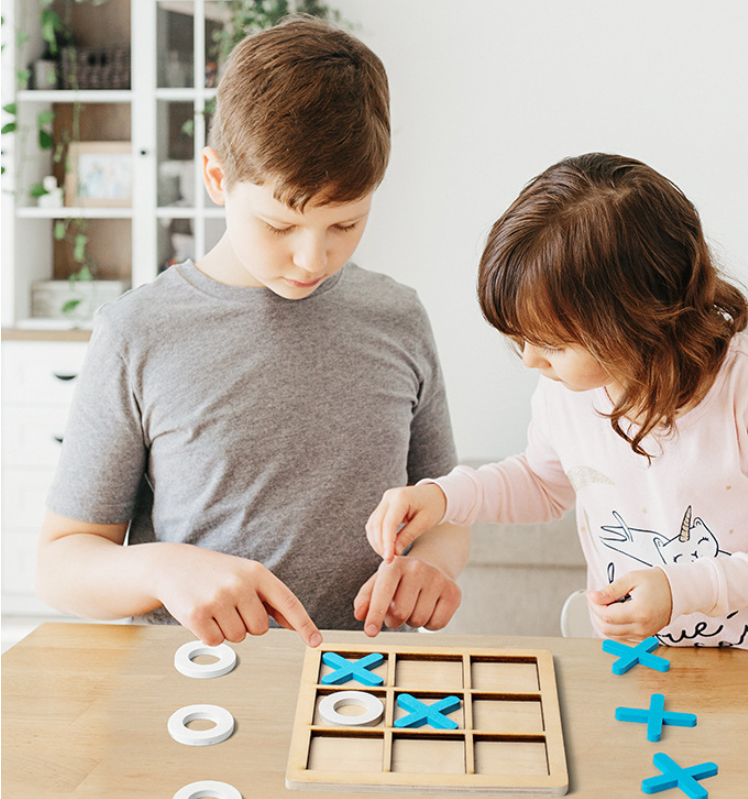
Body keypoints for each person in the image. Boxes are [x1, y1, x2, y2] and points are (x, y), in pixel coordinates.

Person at [35, 16, 469, 648]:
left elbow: (446, 508)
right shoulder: (137, 332)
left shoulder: (397, 317)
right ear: (216, 178)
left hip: (360, 687)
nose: (312, 260)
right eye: (279, 225)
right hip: (195, 692)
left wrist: (434, 564)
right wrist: (162, 567)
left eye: (345, 226)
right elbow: (59, 564)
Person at [367, 153, 748, 649]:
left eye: (554, 345)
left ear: (634, 321)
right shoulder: (565, 391)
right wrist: (444, 497)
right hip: (635, 666)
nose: (531, 361)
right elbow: (541, 482)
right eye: (521, 340)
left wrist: (680, 590)